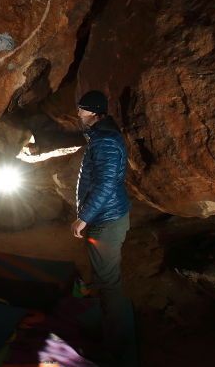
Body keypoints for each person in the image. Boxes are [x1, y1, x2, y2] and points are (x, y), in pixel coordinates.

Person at [71, 90, 136, 366]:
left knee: (110, 285)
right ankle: (112, 334)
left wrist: (83, 217)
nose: (78, 114)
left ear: (94, 112)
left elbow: (106, 183)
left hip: (106, 221)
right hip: (107, 218)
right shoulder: (101, 135)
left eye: (82, 110)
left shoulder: (106, 140)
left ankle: (118, 352)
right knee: (106, 280)